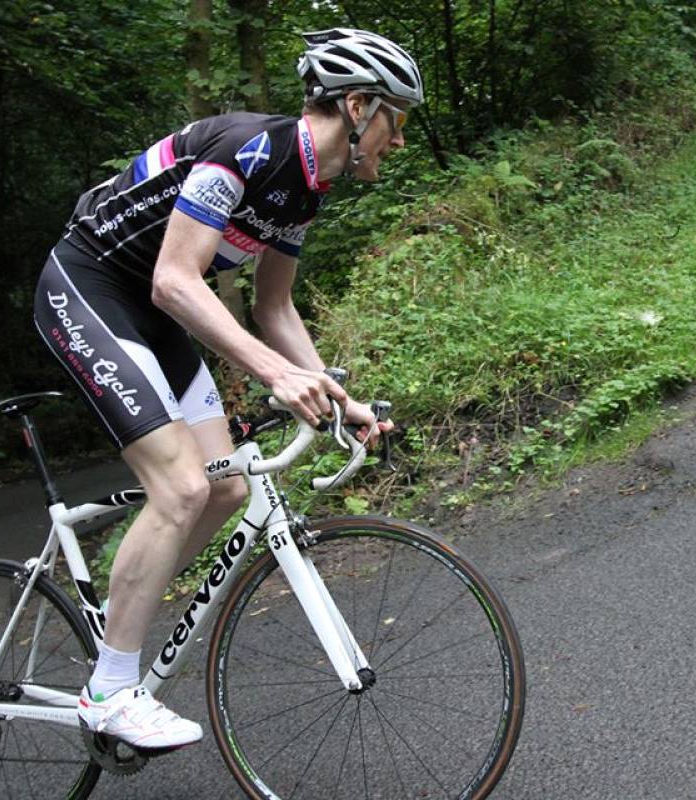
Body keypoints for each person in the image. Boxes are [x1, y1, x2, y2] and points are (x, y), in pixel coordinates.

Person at [32, 28, 423, 750]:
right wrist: (276, 374)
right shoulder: (250, 149)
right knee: (180, 487)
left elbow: (274, 309)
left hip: (153, 311)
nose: (400, 140)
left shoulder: (306, 189)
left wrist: (343, 398)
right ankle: (109, 690)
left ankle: (124, 612)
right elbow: (176, 279)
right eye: (398, 119)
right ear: (360, 106)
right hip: (91, 284)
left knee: (225, 488)